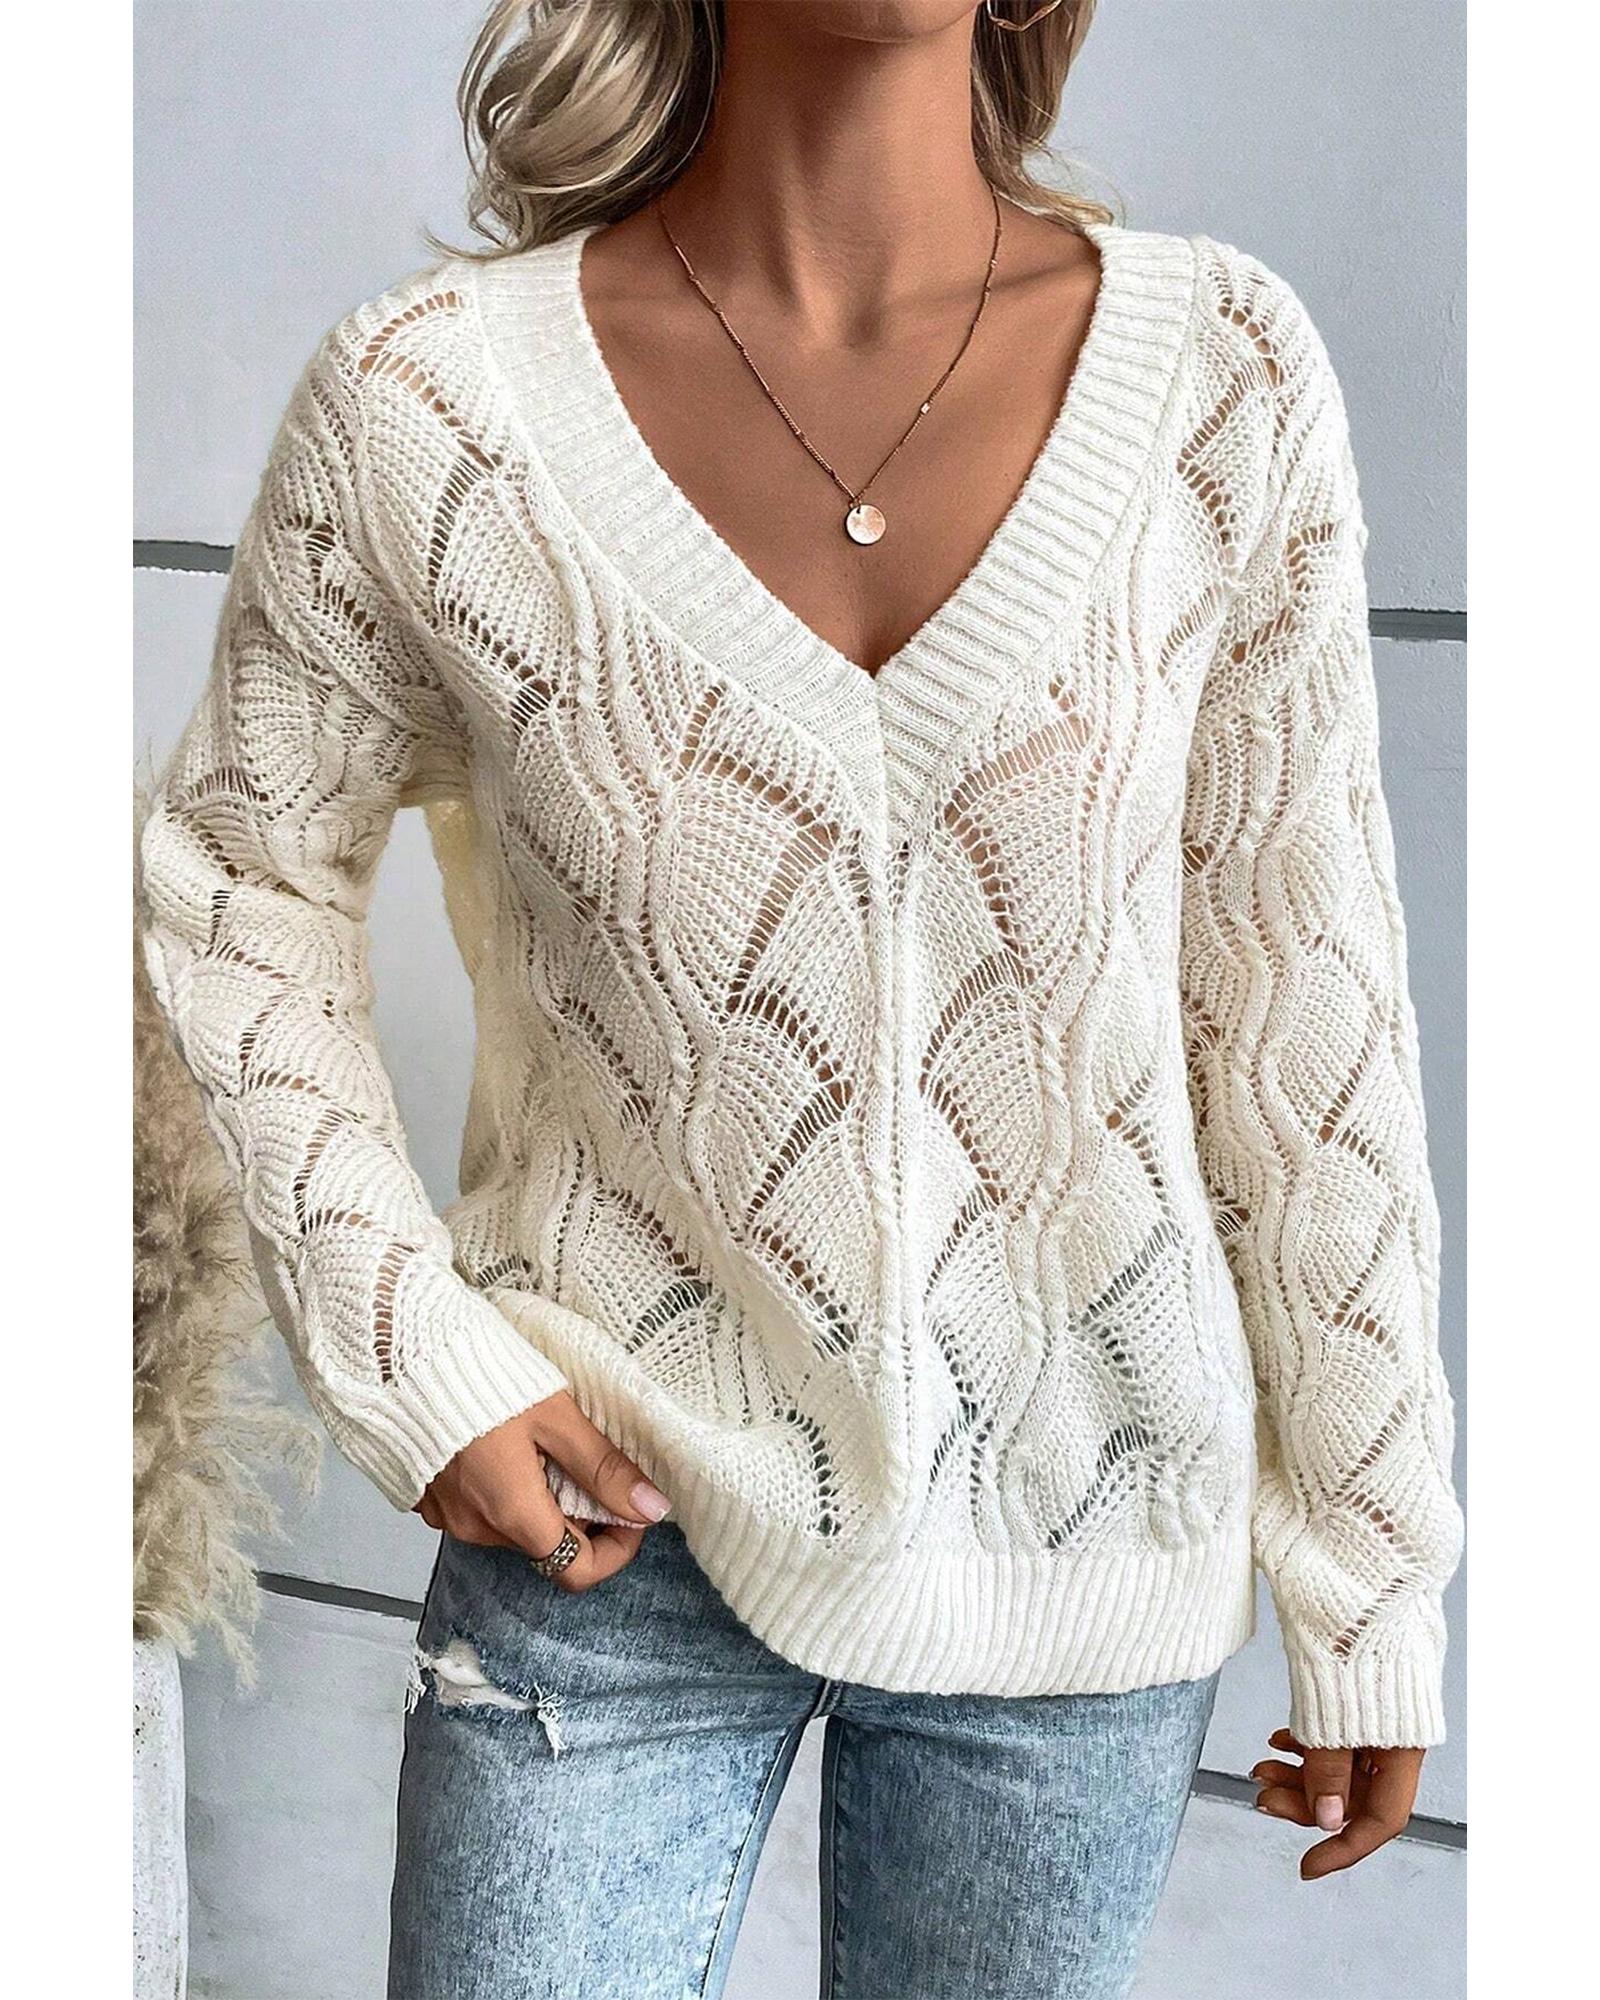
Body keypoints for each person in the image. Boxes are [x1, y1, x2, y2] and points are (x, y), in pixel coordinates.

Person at [137, 2, 1466, 1994]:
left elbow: (1305, 992)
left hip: (1078, 1536)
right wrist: (414, 1353)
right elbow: (240, 875)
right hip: (597, 1519)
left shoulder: (1221, 375)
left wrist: (1369, 1570)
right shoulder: (430, 407)